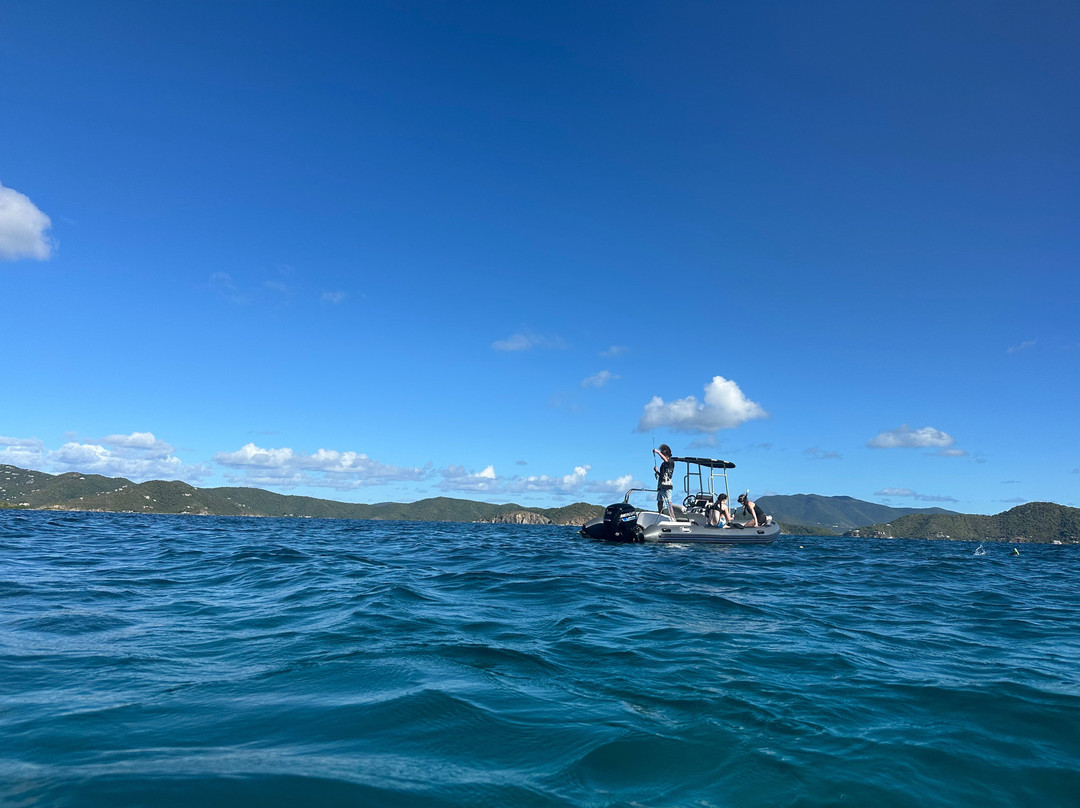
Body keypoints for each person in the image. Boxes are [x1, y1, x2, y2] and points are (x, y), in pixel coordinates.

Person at [653, 444, 676, 520]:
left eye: (663, 453)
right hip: (661, 486)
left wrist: (657, 452)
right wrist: (657, 471)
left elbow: (666, 460)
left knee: (669, 502)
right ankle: (660, 515)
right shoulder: (663, 464)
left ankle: (672, 517)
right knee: (659, 502)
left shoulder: (671, 462)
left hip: (667, 486)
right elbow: (662, 475)